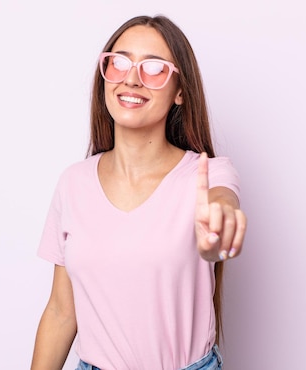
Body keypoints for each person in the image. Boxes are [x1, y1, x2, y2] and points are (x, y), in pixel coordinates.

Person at [30, 14, 247, 370]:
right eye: (119, 62)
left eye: (154, 67)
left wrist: (219, 228)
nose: (131, 78)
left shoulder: (207, 174)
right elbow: (60, 311)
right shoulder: (73, 183)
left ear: (180, 90)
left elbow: (223, 202)